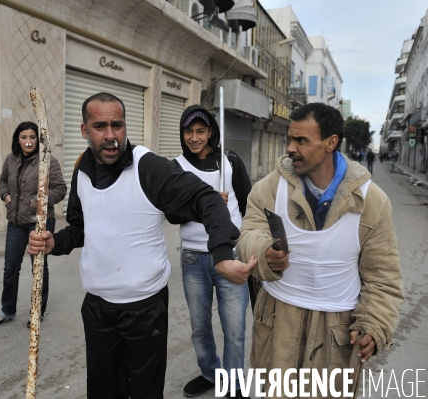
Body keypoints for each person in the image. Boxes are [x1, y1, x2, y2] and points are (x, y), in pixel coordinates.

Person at [27, 93, 256, 399]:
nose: (110, 136)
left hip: (145, 309)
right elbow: (82, 228)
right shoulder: (82, 167)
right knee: (103, 390)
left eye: (117, 125)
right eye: (100, 126)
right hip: (97, 308)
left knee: (146, 392)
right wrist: (55, 242)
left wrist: (222, 255)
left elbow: (207, 199)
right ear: (84, 131)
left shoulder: (148, 167)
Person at [236, 103, 404, 395]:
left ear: (331, 143)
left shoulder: (371, 202)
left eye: (301, 140)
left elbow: (383, 278)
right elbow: (248, 233)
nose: (290, 148)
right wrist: (264, 252)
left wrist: (374, 324)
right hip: (278, 323)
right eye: (290, 138)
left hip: (336, 331)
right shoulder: (269, 188)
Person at [173, 105, 252, 398]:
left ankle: (234, 384)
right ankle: (210, 373)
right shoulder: (177, 166)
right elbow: (172, 213)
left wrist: (246, 242)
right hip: (193, 256)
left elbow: (248, 204)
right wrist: (203, 202)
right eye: (189, 131)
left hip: (231, 255)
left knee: (235, 328)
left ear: (211, 133)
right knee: (199, 327)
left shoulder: (230, 160)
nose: (194, 138)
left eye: (201, 131)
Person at [0, 121, 66, 327]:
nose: (28, 142)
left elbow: (60, 188)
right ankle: (7, 310)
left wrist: (38, 201)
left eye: (32, 137)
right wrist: (6, 197)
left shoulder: (48, 160)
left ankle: (37, 312)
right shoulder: (11, 159)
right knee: (10, 267)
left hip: (39, 222)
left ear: (38, 140)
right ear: (18, 139)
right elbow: (3, 181)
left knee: (38, 268)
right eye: (24, 137)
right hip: (15, 221)